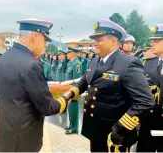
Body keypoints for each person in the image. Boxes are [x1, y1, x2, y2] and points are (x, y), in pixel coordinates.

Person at [62, 19, 155, 152]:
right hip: (94, 129)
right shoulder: (94, 61)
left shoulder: (129, 63)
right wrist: (68, 96)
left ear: (113, 40)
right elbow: (84, 81)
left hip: (115, 135)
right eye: (95, 40)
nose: (95, 43)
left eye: (99, 39)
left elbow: (145, 101)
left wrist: (120, 127)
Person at [0, 18, 70, 152]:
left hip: (5, 138)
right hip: (24, 142)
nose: (45, 45)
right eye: (45, 40)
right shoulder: (31, 65)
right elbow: (48, 108)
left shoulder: (4, 57)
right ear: (35, 36)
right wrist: (65, 99)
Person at [136, 24, 163, 152]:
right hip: (149, 121)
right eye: (152, 40)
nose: (152, 43)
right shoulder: (147, 63)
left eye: (157, 40)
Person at [65, 46, 82, 135]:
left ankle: (75, 127)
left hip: (73, 90)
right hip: (68, 90)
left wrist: (73, 93)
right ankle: (71, 124)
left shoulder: (77, 64)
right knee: (70, 108)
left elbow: (77, 80)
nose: (66, 54)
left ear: (73, 53)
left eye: (68, 53)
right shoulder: (70, 63)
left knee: (73, 107)